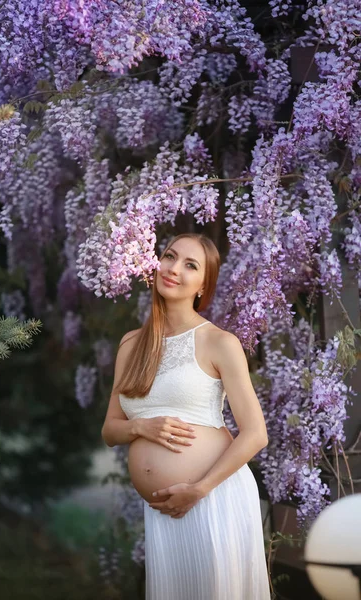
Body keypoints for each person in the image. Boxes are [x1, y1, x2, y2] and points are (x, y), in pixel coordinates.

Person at [102, 233, 271, 600]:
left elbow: (256, 433)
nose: (174, 269)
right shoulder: (131, 344)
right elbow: (110, 430)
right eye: (169, 256)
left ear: (203, 286)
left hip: (212, 498)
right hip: (164, 510)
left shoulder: (219, 342)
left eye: (190, 265)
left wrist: (198, 489)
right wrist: (141, 426)